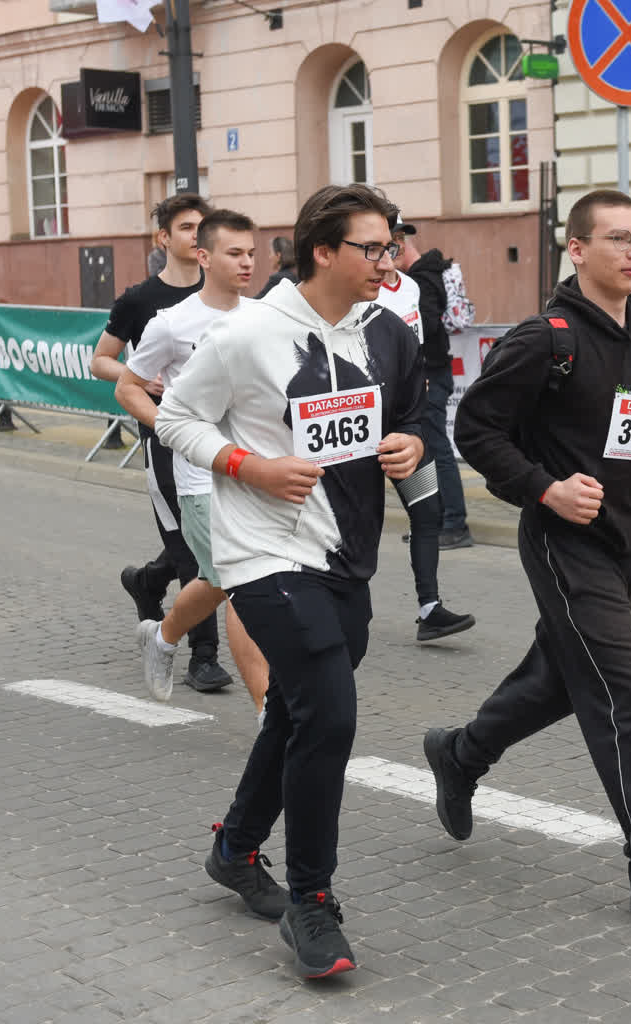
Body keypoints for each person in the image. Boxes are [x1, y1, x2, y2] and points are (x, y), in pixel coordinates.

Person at [423, 190, 631, 915]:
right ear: (577, 249)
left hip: (627, 537)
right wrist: (545, 490)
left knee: (563, 681)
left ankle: (460, 753)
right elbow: (474, 430)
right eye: (616, 239)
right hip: (564, 543)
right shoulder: (545, 337)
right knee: (622, 691)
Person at [157, 184, 426, 978]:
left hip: (346, 553)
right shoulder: (250, 334)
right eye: (373, 247)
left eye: (392, 245)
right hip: (264, 554)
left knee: (298, 709)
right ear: (323, 252)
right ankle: (312, 904)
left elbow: (414, 410)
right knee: (330, 715)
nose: (389, 260)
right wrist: (252, 466)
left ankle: (236, 847)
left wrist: (409, 442)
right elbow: (175, 417)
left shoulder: (387, 332)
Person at [114, 209, 269, 709]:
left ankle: (160, 636)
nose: (247, 263)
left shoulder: (264, 317)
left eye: (251, 253)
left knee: (221, 581)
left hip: (255, 472)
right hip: (201, 477)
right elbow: (127, 386)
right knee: (237, 585)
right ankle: (270, 711)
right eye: (234, 253)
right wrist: (173, 432)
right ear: (203, 256)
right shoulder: (171, 324)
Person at [90, 194, 233, 693]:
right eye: (187, 227)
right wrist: (142, 380)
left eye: (203, 227)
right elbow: (101, 361)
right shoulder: (140, 301)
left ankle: (148, 582)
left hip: (219, 442)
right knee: (196, 551)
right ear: (164, 238)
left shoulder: (221, 296)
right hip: (165, 441)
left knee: (200, 544)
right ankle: (203, 656)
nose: (197, 235)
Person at [375, 216, 476, 642]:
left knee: (426, 510)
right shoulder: (357, 290)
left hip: (404, 424)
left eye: (394, 241)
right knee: (349, 520)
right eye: (380, 243)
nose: (389, 250)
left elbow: (418, 345)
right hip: (362, 422)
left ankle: (429, 609)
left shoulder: (412, 287)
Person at [402, 230, 471, 549]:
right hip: (428, 370)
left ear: (401, 245)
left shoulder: (420, 280)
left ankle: (455, 524)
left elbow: (426, 325)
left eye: (388, 248)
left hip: (429, 372)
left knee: (436, 450)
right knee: (423, 450)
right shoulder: (423, 276)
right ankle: (435, 522)